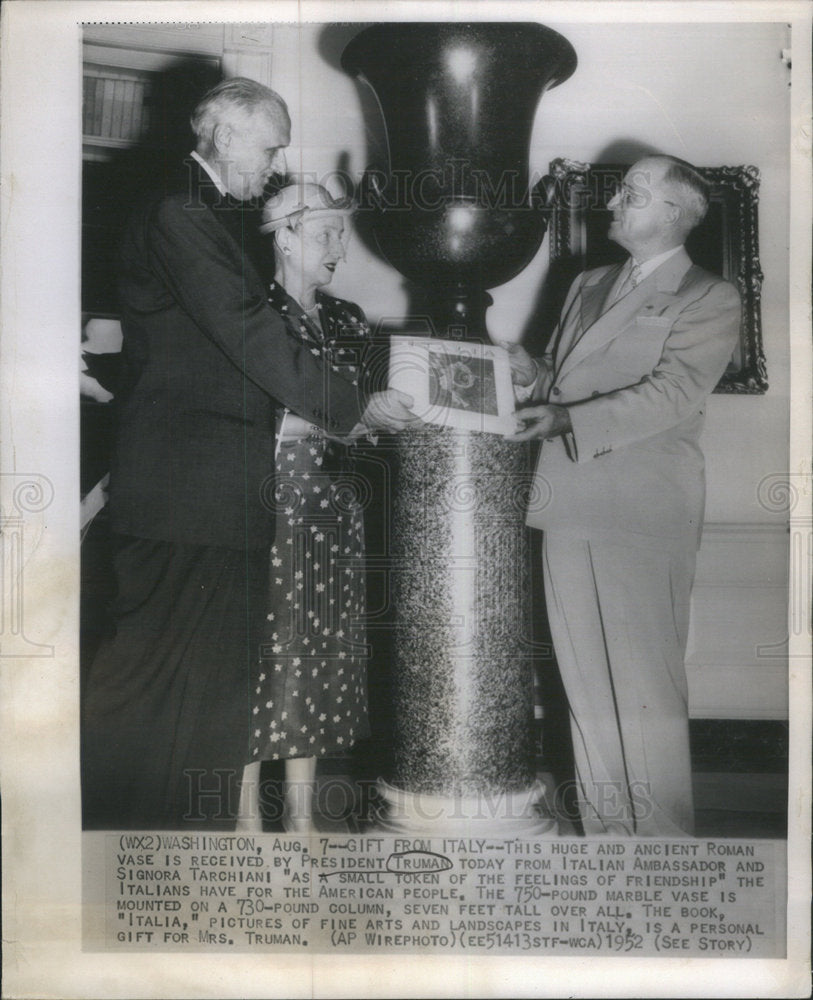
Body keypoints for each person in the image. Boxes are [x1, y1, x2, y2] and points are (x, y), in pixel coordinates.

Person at [81, 78, 416, 830]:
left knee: (203, 698)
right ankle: (122, 849)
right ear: (226, 135)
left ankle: (182, 849)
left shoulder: (207, 214)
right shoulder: (180, 211)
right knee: (153, 688)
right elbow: (248, 329)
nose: (272, 167)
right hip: (185, 491)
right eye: (269, 148)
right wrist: (351, 407)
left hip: (214, 490)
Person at [505, 155, 741, 836]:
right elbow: (560, 378)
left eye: (631, 194)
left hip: (642, 509)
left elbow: (671, 393)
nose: (612, 202)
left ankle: (662, 843)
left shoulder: (708, 295)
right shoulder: (588, 283)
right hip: (568, 500)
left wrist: (566, 418)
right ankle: (609, 839)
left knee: (644, 685)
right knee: (583, 681)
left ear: (674, 214)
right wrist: (527, 373)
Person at [237, 182, 376, 833]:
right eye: (326, 233)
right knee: (262, 653)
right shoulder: (250, 311)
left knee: (318, 656)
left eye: (340, 233)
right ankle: (243, 821)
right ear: (286, 237)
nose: (339, 247)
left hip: (334, 507)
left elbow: (364, 406)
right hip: (272, 501)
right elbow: (248, 418)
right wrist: (344, 420)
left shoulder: (349, 319)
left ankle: (300, 819)